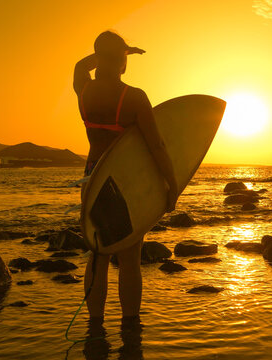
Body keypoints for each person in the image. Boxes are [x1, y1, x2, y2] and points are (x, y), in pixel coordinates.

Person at [74, 30, 178, 325]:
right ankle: (130, 327)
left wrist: (114, 52)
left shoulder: (85, 90)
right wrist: (172, 184)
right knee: (130, 257)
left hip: (92, 177)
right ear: (122, 61)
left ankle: (96, 325)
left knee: (98, 253)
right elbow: (156, 145)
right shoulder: (133, 97)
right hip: (123, 182)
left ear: (98, 58)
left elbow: (80, 67)